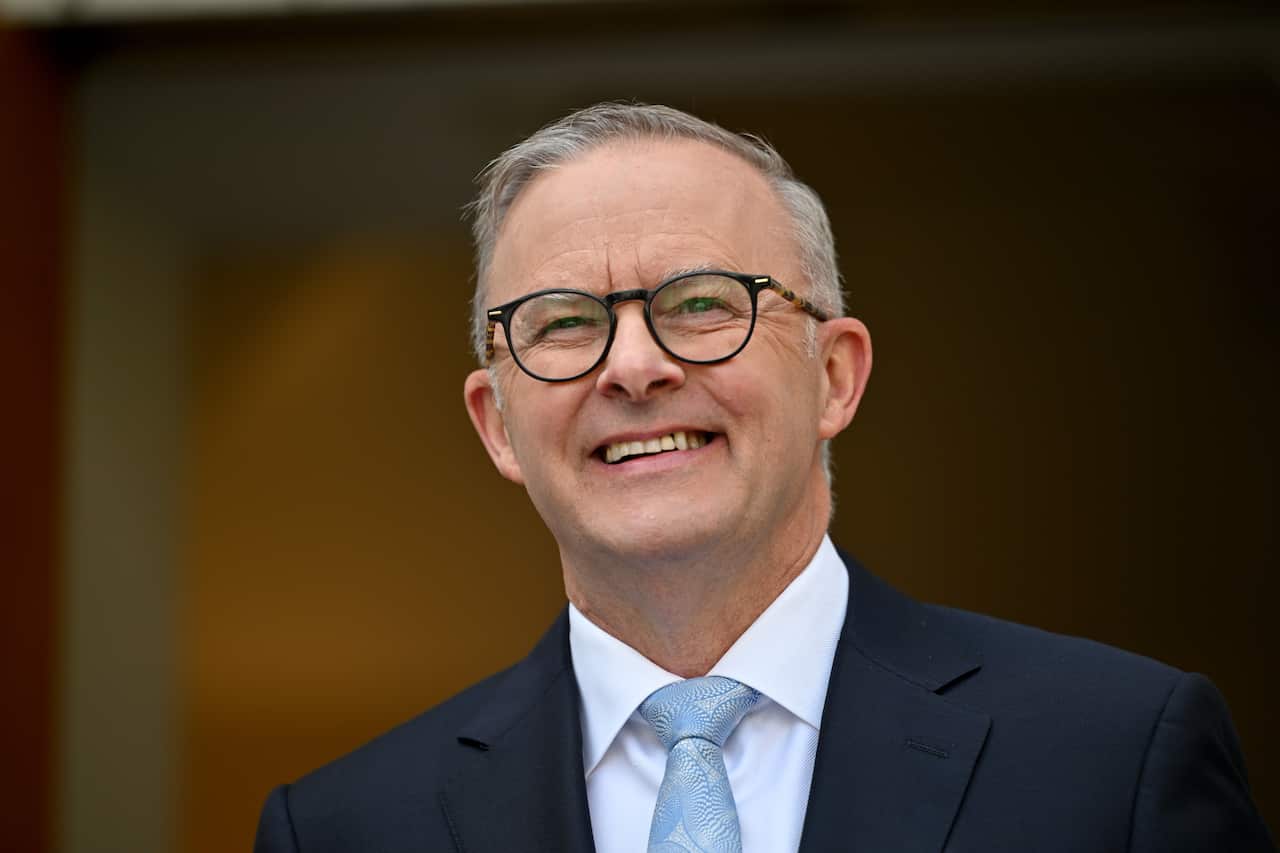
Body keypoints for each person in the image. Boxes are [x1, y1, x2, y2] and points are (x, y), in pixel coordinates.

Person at [254, 102, 1273, 853]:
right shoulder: (345, 827)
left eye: (700, 303)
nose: (633, 366)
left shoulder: (1114, 757)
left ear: (833, 376)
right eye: (563, 321)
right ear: (497, 425)